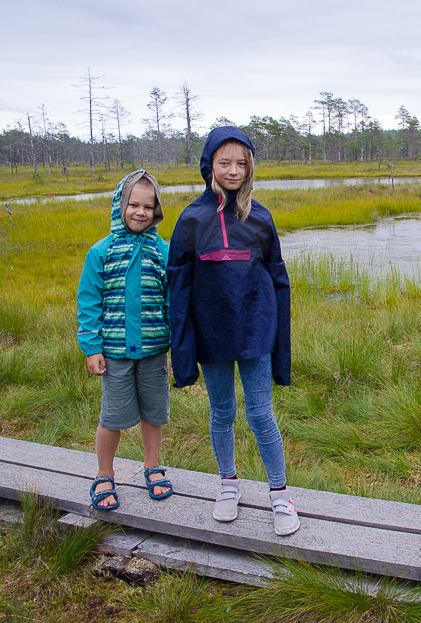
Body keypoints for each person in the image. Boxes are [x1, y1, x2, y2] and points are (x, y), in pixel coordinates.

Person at [167, 127, 298, 536]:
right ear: (209, 166)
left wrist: (278, 335)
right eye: (225, 162)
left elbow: (278, 277)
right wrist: (184, 342)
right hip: (212, 331)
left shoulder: (259, 216)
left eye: (242, 163)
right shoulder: (192, 218)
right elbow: (179, 282)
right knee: (222, 411)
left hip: (255, 329)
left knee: (261, 413)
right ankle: (228, 485)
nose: (234, 170)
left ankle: (279, 494)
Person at [77, 170, 173, 510]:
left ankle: (152, 467)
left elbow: (171, 300)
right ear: (120, 205)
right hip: (115, 353)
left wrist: (180, 340)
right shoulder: (101, 251)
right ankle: (104, 473)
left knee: (154, 414)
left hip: (153, 351)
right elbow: (88, 302)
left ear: (157, 211)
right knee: (112, 417)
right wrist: (92, 348)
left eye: (148, 207)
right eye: (133, 204)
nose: (140, 212)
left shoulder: (163, 251)